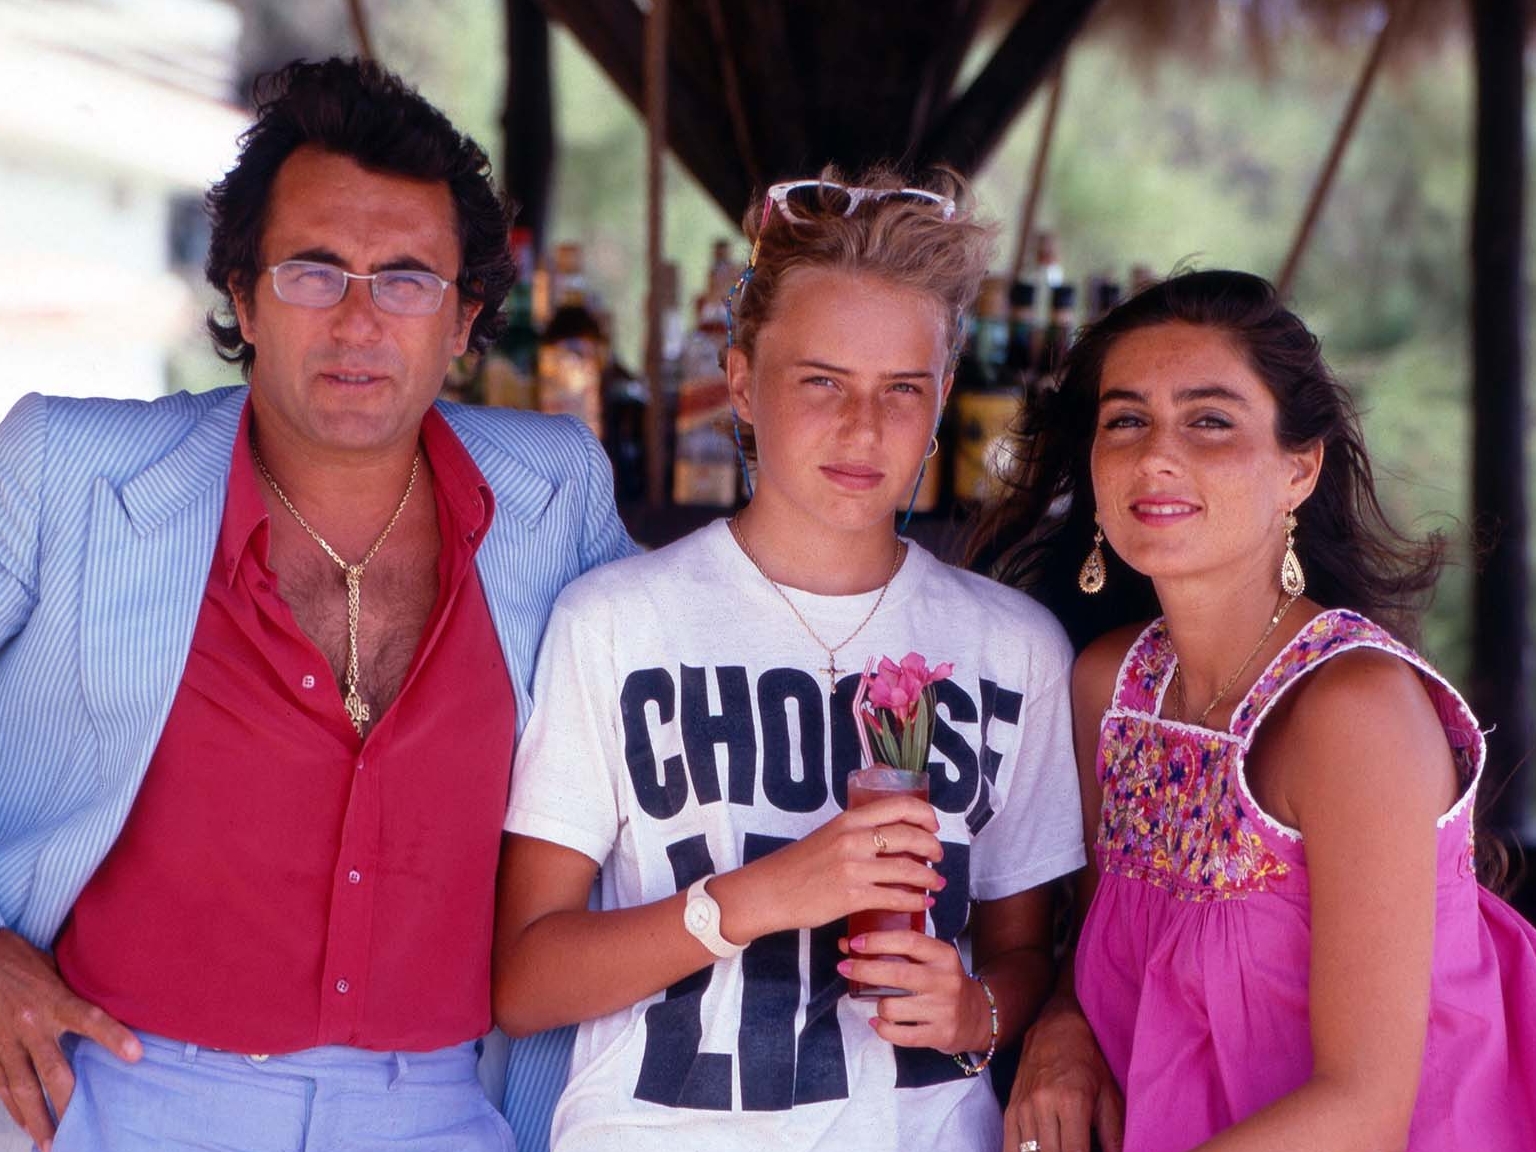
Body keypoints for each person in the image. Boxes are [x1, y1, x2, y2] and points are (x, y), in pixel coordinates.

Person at [0, 57, 631, 1151]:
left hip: (438, 1108)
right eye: (313, 270)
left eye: (405, 279)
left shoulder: (555, 495)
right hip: (108, 1099)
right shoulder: (69, 471)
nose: (357, 320)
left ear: (464, 317)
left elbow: (673, 744)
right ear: (241, 292)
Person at [491, 170, 1085, 1151]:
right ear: (739, 386)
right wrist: (758, 898)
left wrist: (974, 1010)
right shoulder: (616, 622)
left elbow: (1022, 952)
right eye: (822, 382)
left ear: (942, 405)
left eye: (903, 389)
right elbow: (526, 981)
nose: (863, 428)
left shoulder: (1014, 646)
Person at [967, 269, 1536, 1152]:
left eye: (1210, 420)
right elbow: (1102, 944)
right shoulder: (1112, 689)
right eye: (1126, 420)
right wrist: (1063, 1024)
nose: (1158, 454)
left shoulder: (1354, 710)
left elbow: (1363, 1110)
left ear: (1298, 469)